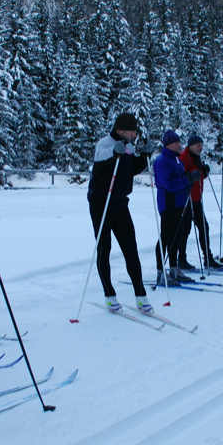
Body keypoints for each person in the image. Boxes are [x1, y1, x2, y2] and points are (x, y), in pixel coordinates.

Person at [87, 113, 157, 314]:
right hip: (101, 203)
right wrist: (113, 153)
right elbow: (100, 159)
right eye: (132, 130)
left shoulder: (128, 146)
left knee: (131, 249)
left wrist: (144, 156)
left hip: (120, 204)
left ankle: (141, 296)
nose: (135, 134)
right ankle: (109, 295)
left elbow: (131, 169)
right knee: (104, 248)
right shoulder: (104, 144)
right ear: (121, 129)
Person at [154, 130, 200, 285]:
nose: (178, 145)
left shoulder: (176, 160)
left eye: (179, 142)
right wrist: (187, 179)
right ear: (167, 144)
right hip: (168, 204)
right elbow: (169, 185)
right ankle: (160, 272)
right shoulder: (162, 161)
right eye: (175, 142)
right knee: (166, 237)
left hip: (180, 203)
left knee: (175, 236)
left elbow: (181, 179)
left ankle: (173, 268)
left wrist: (190, 178)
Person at [178, 134, 223, 270]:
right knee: (185, 230)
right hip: (186, 200)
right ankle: (181, 259)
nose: (201, 148)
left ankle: (208, 258)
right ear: (190, 145)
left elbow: (197, 177)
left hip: (197, 199)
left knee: (204, 227)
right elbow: (183, 176)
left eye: (202, 145)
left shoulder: (196, 157)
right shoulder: (183, 157)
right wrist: (195, 172)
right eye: (198, 145)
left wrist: (204, 173)